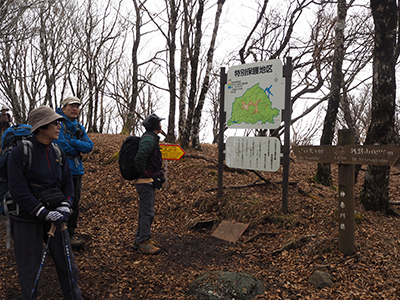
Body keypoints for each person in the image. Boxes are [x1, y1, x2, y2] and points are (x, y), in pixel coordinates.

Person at [8, 105, 82, 300]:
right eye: (55, 122)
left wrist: (66, 205)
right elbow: (18, 189)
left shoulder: (58, 152)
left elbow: (68, 183)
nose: (59, 126)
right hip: (26, 218)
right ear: (41, 127)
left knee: (68, 266)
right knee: (29, 269)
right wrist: (41, 211)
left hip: (57, 218)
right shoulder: (19, 153)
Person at [54, 96, 93, 248]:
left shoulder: (78, 127)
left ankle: (70, 235)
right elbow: (60, 146)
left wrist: (73, 143)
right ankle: (57, 237)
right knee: (60, 203)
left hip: (77, 170)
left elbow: (89, 146)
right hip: (61, 169)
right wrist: (78, 147)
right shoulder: (57, 123)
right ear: (63, 108)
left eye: (77, 106)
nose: (75, 109)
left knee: (74, 204)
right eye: (71, 106)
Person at [133, 113, 165, 255]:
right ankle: (144, 242)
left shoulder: (151, 138)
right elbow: (140, 157)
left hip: (147, 181)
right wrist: (146, 173)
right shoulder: (149, 139)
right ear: (155, 125)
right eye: (159, 123)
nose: (161, 125)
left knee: (145, 212)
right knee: (147, 212)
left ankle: (140, 240)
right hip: (145, 182)